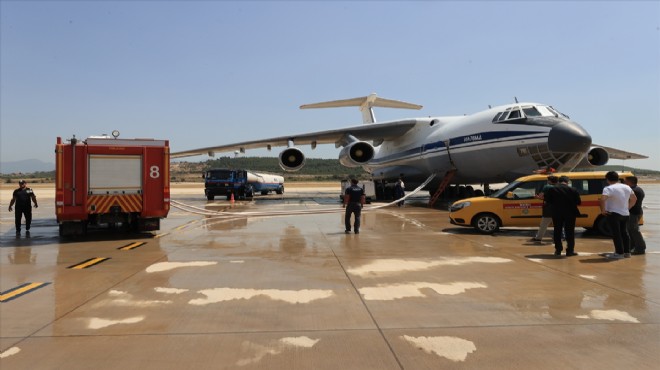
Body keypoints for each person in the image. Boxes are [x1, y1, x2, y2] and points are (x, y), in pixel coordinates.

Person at [600, 171, 637, 259]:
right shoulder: (626, 187)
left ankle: (619, 253)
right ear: (617, 178)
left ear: (607, 179)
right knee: (624, 233)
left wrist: (603, 210)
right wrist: (628, 208)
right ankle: (627, 252)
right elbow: (634, 199)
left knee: (616, 234)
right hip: (625, 214)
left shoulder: (608, 188)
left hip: (613, 214)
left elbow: (602, 200)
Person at [544, 176, 581, 257]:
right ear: (567, 182)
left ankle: (558, 250)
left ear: (559, 181)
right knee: (570, 232)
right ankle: (570, 251)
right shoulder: (573, 189)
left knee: (557, 231)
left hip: (557, 213)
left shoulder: (552, 189)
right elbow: (578, 202)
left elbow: (548, 201)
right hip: (570, 213)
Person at [531, 175, 559, 242]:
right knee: (558, 225)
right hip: (559, 209)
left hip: (548, 209)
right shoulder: (559, 187)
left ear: (549, 181)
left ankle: (538, 238)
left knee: (543, 224)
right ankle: (558, 238)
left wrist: (537, 197)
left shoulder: (547, 187)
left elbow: (541, 196)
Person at [624, 176, 646, 255]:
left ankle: (640, 248)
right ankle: (632, 247)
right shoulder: (639, 189)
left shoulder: (633, 190)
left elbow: (630, 201)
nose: (624, 183)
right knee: (631, 230)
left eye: (625, 182)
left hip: (633, 213)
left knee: (634, 231)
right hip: (637, 211)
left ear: (630, 182)